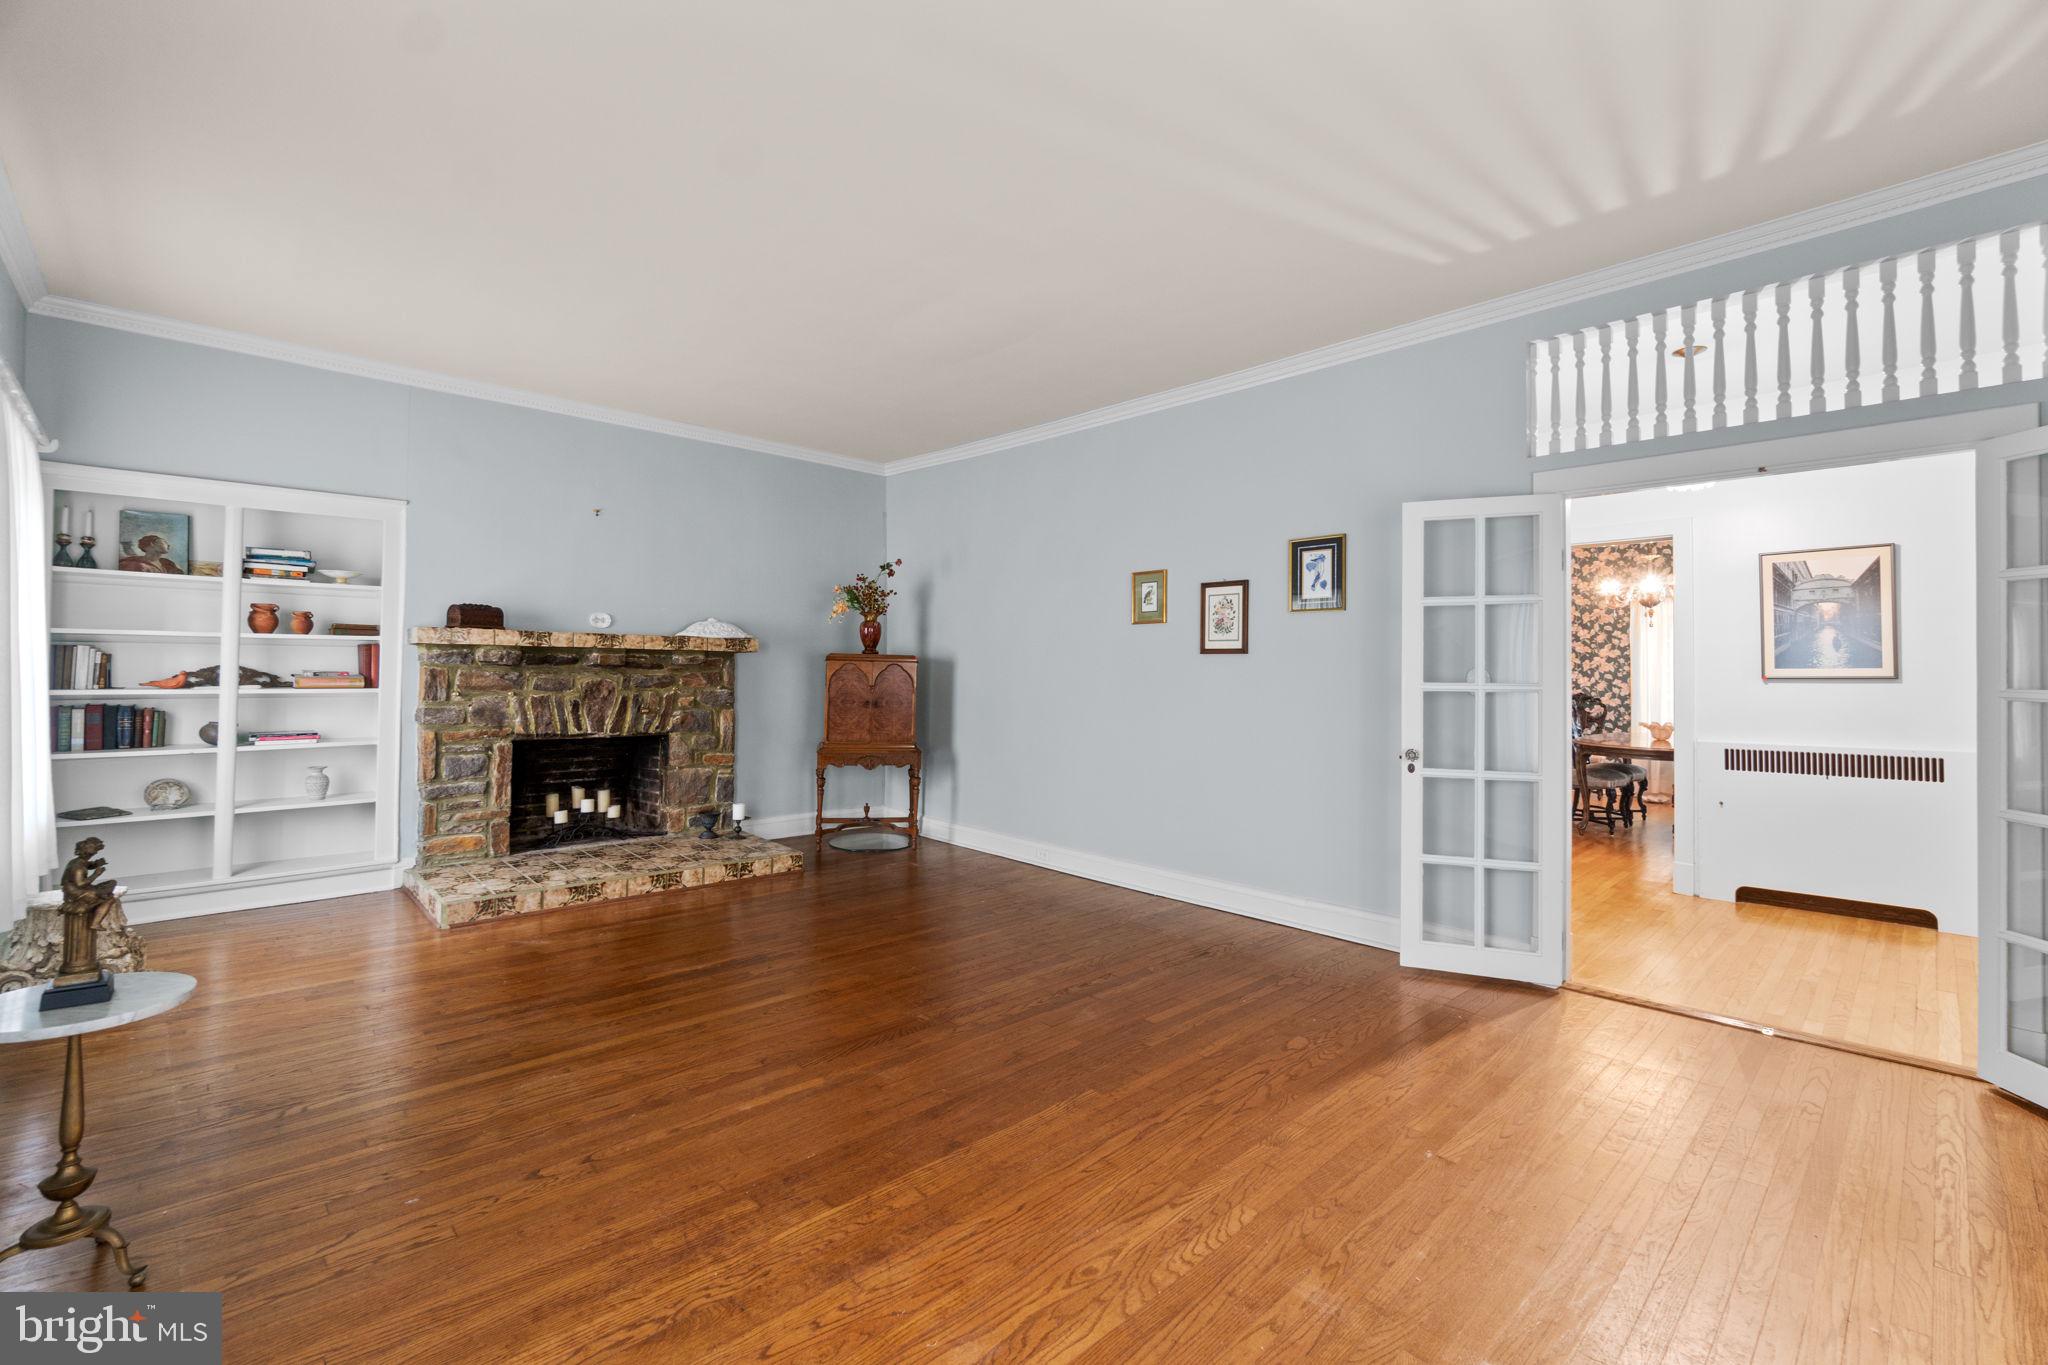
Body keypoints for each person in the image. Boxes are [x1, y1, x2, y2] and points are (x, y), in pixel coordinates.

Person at [118, 532, 184, 573]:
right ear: (152, 543)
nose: (168, 545)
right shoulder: (138, 565)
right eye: (164, 542)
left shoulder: (167, 564)